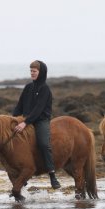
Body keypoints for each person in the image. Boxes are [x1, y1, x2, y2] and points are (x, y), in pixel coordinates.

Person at [12, 60, 61, 189]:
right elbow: (19, 106)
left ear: (41, 72)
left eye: (34, 71)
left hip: (40, 120)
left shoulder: (45, 89)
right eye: (31, 71)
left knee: (44, 144)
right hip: (25, 120)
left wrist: (25, 123)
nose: (32, 73)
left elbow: (38, 110)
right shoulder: (28, 87)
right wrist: (12, 119)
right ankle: (19, 173)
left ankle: (52, 175)